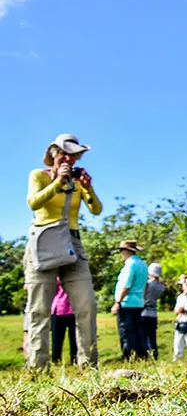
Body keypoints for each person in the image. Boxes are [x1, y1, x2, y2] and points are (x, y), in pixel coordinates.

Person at [24, 133, 102, 369]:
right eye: (65, 153)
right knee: (39, 309)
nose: (69, 158)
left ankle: (88, 365)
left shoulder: (77, 182)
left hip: (72, 243)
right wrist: (57, 182)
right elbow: (33, 203)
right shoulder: (39, 175)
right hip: (44, 242)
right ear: (53, 153)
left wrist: (88, 188)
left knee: (87, 305)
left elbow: (96, 210)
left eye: (74, 155)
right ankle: (38, 367)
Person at [112, 240, 149, 360]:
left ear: (127, 251)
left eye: (122, 250)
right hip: (138, 302)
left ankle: (128, 356)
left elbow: (126, 285)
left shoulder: (130, 265)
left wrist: (118, 302)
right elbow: (146, 285)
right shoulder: (143, 264)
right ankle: (141, 355)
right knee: (138, 330)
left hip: (127, 302)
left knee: (126, 331)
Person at [141, 263, 166, 360]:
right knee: (152, 336)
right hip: (153, 313)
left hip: (144, 311)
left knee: (144, 336)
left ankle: (146, 356)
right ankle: (155, 355)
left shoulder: (147, 285)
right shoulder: (161, 286)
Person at [50, 280, 77, 364]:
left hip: (63, 309)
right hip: (62, 308)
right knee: (61, 338)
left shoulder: (55, 278)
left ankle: (57, 360)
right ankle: (59, 359)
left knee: (59, 338)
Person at [173, 275, 187, 361]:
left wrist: (185, 310)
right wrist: (178, 310)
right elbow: (176, 309)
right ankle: (177, 359)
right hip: (181, 321)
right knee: (178, 342)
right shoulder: (180, 297)